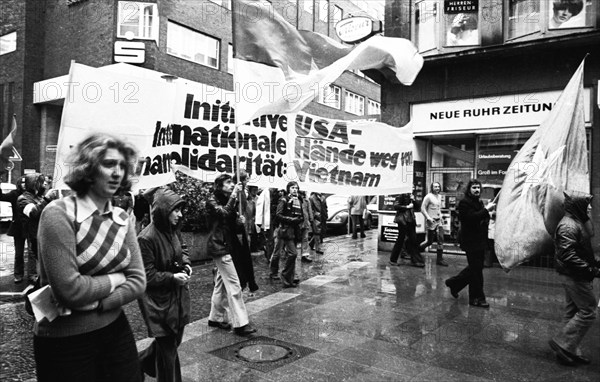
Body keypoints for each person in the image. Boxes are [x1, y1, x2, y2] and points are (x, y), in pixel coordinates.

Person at [34, 133, 146, 381]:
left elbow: (138, 281)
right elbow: (69, 290)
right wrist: (117, 278)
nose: (118, 173)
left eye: (122, 166)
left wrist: (99, 303)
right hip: (65, 342)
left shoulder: (121, 218)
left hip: (116, 329)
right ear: (89, 168)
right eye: (109, 164)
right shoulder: (58, 214)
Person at [138, 189, 191, 381]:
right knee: (168, 353)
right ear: (163, 211)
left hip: (176, 300)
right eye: (176, 210)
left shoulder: (174, 229)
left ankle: (141, 362)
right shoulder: (146, 238)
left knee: (170, 344)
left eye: (180, 210)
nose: (180, 214)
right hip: (158, 304)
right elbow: (147, 276)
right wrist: (172, 277)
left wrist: (186, 265)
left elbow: (182, 249)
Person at [548, 191, 599, 366]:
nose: (590, 207)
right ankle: (562, 343)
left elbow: (587, 238)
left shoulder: (576, 221)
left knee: (572, 311)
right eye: (587, 204)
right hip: (573, 275)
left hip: (574, 274)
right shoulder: (568, 226)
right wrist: (591, 270)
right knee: (588, 310)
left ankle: (569, 349)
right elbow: (568, 255)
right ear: (578, 206)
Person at [206, 173, 256, 336]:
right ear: (219, 186)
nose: (231, 185)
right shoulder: (212, 200)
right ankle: (241, 323)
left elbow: (230, 223)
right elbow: (222, 214)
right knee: (234, 284)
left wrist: (239, 222)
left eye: (231, 182)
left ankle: (216, 317)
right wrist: (234, 195)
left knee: (221, 282)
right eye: (228, 183)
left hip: (228, 245)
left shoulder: (229, 201)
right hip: (220, 246)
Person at [445, 179, 495, 308]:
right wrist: (486, 210)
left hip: (480, 240)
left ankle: (454, 283)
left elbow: (482, 218)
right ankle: (477, 298)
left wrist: (490, 214)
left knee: (475, 268)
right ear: (469, 189)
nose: (477, 190)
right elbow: (471, 219)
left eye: (478, 188)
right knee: (476, 270)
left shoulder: (478, 202)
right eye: (474, 188)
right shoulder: (464, 203)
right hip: (470, 241)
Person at [17, 173, 54, 285]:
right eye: (42, 182)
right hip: (35, 237)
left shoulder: (39, 197)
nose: (44, 184)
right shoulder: (22, 199)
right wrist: (47, 199)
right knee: (44, 269)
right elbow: (34, 213)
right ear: (34, 184)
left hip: (44, 235)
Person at [273, 181, 304, 287]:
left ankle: (289, 279)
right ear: (288, 189)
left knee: (293, 254)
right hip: (285, 230)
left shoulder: (299, 200)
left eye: (296, 188)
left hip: (295, 230)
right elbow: (278, 215)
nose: (295, 190)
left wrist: (299, 220)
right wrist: (291, 220)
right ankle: (283, 275)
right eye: (292, 188)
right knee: (289, 253)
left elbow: (301, 215)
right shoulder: (284, 200)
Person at [0, 176, 26, 283]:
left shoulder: (32, 193)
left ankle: (34, 275)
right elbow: (1, 196)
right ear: (19, 184)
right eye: (22, 183)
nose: (24, 184)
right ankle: (18, 274)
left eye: (26, 182)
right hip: (18, 227)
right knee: (19, 253)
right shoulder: (14, 194)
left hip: (31, 227)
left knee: (34, 253)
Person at [389, 193, 424, 267]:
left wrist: (414, 200)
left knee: (413, 239)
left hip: (411, 220)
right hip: (403, 220)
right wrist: (407, 207)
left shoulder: (411, 195)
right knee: (401, 239)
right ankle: (393, 259)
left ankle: (416, 260)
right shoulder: (401, 194)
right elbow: (396, 206)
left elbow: (417, 207)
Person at [419, 182, 448, 266]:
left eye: (438, 186)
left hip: (439, 221)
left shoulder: (439, 196)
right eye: (435, 186)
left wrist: (441, 216)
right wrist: (428, 217)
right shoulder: (428, 197)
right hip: (431, 221)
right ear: (432, 187)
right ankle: (417, 250)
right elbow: (422, 208)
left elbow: (439, 208)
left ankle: (440, 259)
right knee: (429, 241)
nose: (437, 188)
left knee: (440, 239)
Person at [299, 190, 314, 263]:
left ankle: (304, 255)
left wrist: (311, 219)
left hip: (305, 222)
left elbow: (309, 210)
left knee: (305, 238)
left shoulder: (306, 200)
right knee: (293, 238)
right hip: (297, 222)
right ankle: (289, 252)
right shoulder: (295, 198)